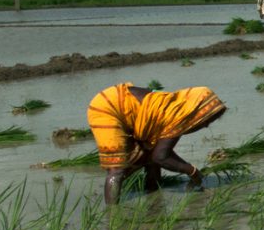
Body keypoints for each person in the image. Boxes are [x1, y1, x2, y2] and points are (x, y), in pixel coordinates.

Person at [86, 83, 227, 204]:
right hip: (108, 108)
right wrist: (193, 172)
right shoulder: (178, 116)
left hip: (120, 101)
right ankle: (113, 215)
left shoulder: (176, 105)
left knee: (149, 153)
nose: (206, 125)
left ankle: (153, 197)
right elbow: (161, 157)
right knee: (116, 169)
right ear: (199, 111)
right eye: (208, 120)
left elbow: (157, 154)